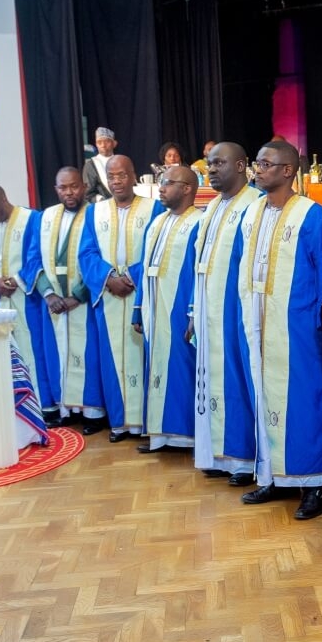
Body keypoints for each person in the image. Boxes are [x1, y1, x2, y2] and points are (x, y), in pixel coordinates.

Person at [236, 140, 322, 520]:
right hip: (257, 318)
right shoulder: (251, 213)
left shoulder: (312, 215)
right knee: (264, 394)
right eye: (257, 164)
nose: (257, 170)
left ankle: (313, 482)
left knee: (303, 399)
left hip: (297, 322)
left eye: (265, 164)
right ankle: (273, 474)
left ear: (288, 170)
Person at [191, 142, 261, 483]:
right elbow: (199, 263)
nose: (211, 169)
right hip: (208, 308)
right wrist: (193, 311)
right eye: (209, 163)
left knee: (237, 379)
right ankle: (217, 452)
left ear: (240, 165)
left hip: (235, 310)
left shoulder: (254, 204)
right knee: (212, 379)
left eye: (219, 162)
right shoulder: (213, 206)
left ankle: (244, 458)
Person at [78, 155, 161, 441]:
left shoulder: (154, 208)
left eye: (122, 175)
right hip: (109, 296)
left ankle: (145, 423)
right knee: (112, 358)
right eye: (111, 177)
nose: (116, 181)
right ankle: (120, 422)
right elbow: (86, 254)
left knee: (141, 357)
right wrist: (108, 279)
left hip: (141, 297)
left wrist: (132, 277)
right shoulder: (94, 212)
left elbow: (156, 248)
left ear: (133, 176)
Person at [25, 167, 106, 433]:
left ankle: (93, 412)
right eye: (63, 188)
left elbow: (98, 258)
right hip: (54, 304)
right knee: (58, 353)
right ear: (56, 189)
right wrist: (48, 294)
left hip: (83, 301)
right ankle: (66, 409)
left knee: (87, 354)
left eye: (73, 187)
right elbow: (33, 259)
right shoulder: (44, 217)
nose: (69, 193)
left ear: (83, 186)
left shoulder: (96, 214)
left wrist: (78, 295)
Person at [132, 165, 201, 454]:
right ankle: (160, 434)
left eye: (169, 183)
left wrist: (192, 312)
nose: (161, 188)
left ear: (187, 188)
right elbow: (144, 267)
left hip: (180, 311)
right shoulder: (157, 222)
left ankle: (187, 436)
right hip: (153, 307)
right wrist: (138, 309)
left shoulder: (199, 221)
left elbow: (198, 272)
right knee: (156, 367)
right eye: (161, 182)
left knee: (182, 368)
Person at [0, 183, 48, 409]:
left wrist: (16, 279)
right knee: (7, 351)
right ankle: (16, 404)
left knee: (33, 349)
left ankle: (43, 405)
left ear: (4, 200)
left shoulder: (31, 219)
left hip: (27, 297)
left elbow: (37, 255)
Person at [83, 127, 117, 203]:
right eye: (99, 142)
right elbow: (87, 194)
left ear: (114, 143)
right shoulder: (91, 165)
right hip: (102, 207)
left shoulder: (121, 161)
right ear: (96, 144)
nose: (103, 145)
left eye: (107, 141)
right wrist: (101, 200)